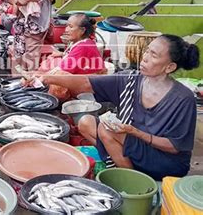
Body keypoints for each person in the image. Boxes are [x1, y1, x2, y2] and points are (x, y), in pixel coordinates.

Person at [30, 35, 200, 181]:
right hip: (134, 144)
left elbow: (174, 146)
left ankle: (132, 180)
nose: (145, 57)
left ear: (169, 67)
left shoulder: (183, 99)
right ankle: (123, 161)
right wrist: (46, 77)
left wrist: (135, 132)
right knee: (86, 122)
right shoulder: (131, 79)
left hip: (165, 160)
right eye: (147, 50)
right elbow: (85, 83)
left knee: (108, 130)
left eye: (153, 55)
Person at [40, 13, 104, 75]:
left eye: (70, 27)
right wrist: (63, 54)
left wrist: (39, 76)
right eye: (66, 26)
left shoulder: (83, 46)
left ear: (82, 30)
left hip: (86, 82)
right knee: (52, 59)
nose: (66, 30)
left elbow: (63, 70)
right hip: (86, 78)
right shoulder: (84, 42)